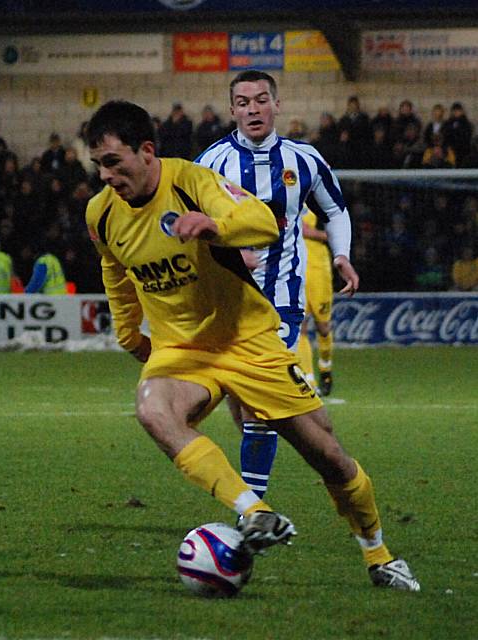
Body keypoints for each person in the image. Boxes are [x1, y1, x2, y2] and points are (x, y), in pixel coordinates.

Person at [85, 99, 419, 590]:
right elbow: (115, 270)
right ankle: (255, 512)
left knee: (328, 456)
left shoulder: (191, 182)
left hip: (247, 340)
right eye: (98, 166)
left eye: (114, 162)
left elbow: (263, 221)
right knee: (153, 409)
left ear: (147, 151)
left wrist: (215, 225)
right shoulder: (100, 214)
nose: (106, 175)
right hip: (183, 350)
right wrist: (130, 333)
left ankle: (379, 555)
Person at [195, 70, 357, 505]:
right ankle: (335, 473)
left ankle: (252, 514)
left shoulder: (303, 159)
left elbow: (336, 210)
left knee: (259, 410)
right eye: (244, 102)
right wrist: (223, 251)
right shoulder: (209, 164)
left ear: (277, 105)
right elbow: (182, 225)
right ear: (232, 110)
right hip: (226, 303)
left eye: (261, 100)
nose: (253, 109)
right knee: (267, 411)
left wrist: (341, 255)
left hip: (281, 301)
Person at [297, 210, 334, 396]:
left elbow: (335, 230)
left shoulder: (320, 202)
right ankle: (308, 379)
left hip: (319, 268)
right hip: (296, 267)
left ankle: (325, 366)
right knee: (300, 326)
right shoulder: (283, 194)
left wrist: (314, 233)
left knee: (323, 327)